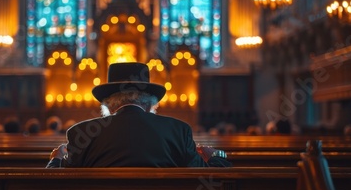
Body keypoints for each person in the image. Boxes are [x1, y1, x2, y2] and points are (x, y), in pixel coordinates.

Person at [47, 62, 231, 168]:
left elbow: (55, 185)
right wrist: (217, 155)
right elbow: (212, 178)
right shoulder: (179, 131)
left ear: (109, 105)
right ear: (151, 103)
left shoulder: (80, 133)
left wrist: (56, 159)